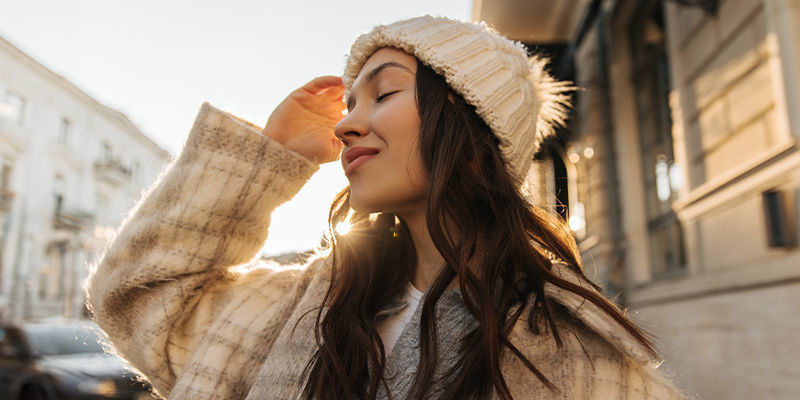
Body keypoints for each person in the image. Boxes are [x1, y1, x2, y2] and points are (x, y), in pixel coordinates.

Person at [86, 15, 686, 400]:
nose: (345, 123)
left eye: (385, 91)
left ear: (474, 131)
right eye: (348, 101)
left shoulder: (587, 366)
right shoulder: (298, 307)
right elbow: (141, 294)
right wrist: (271, 156)